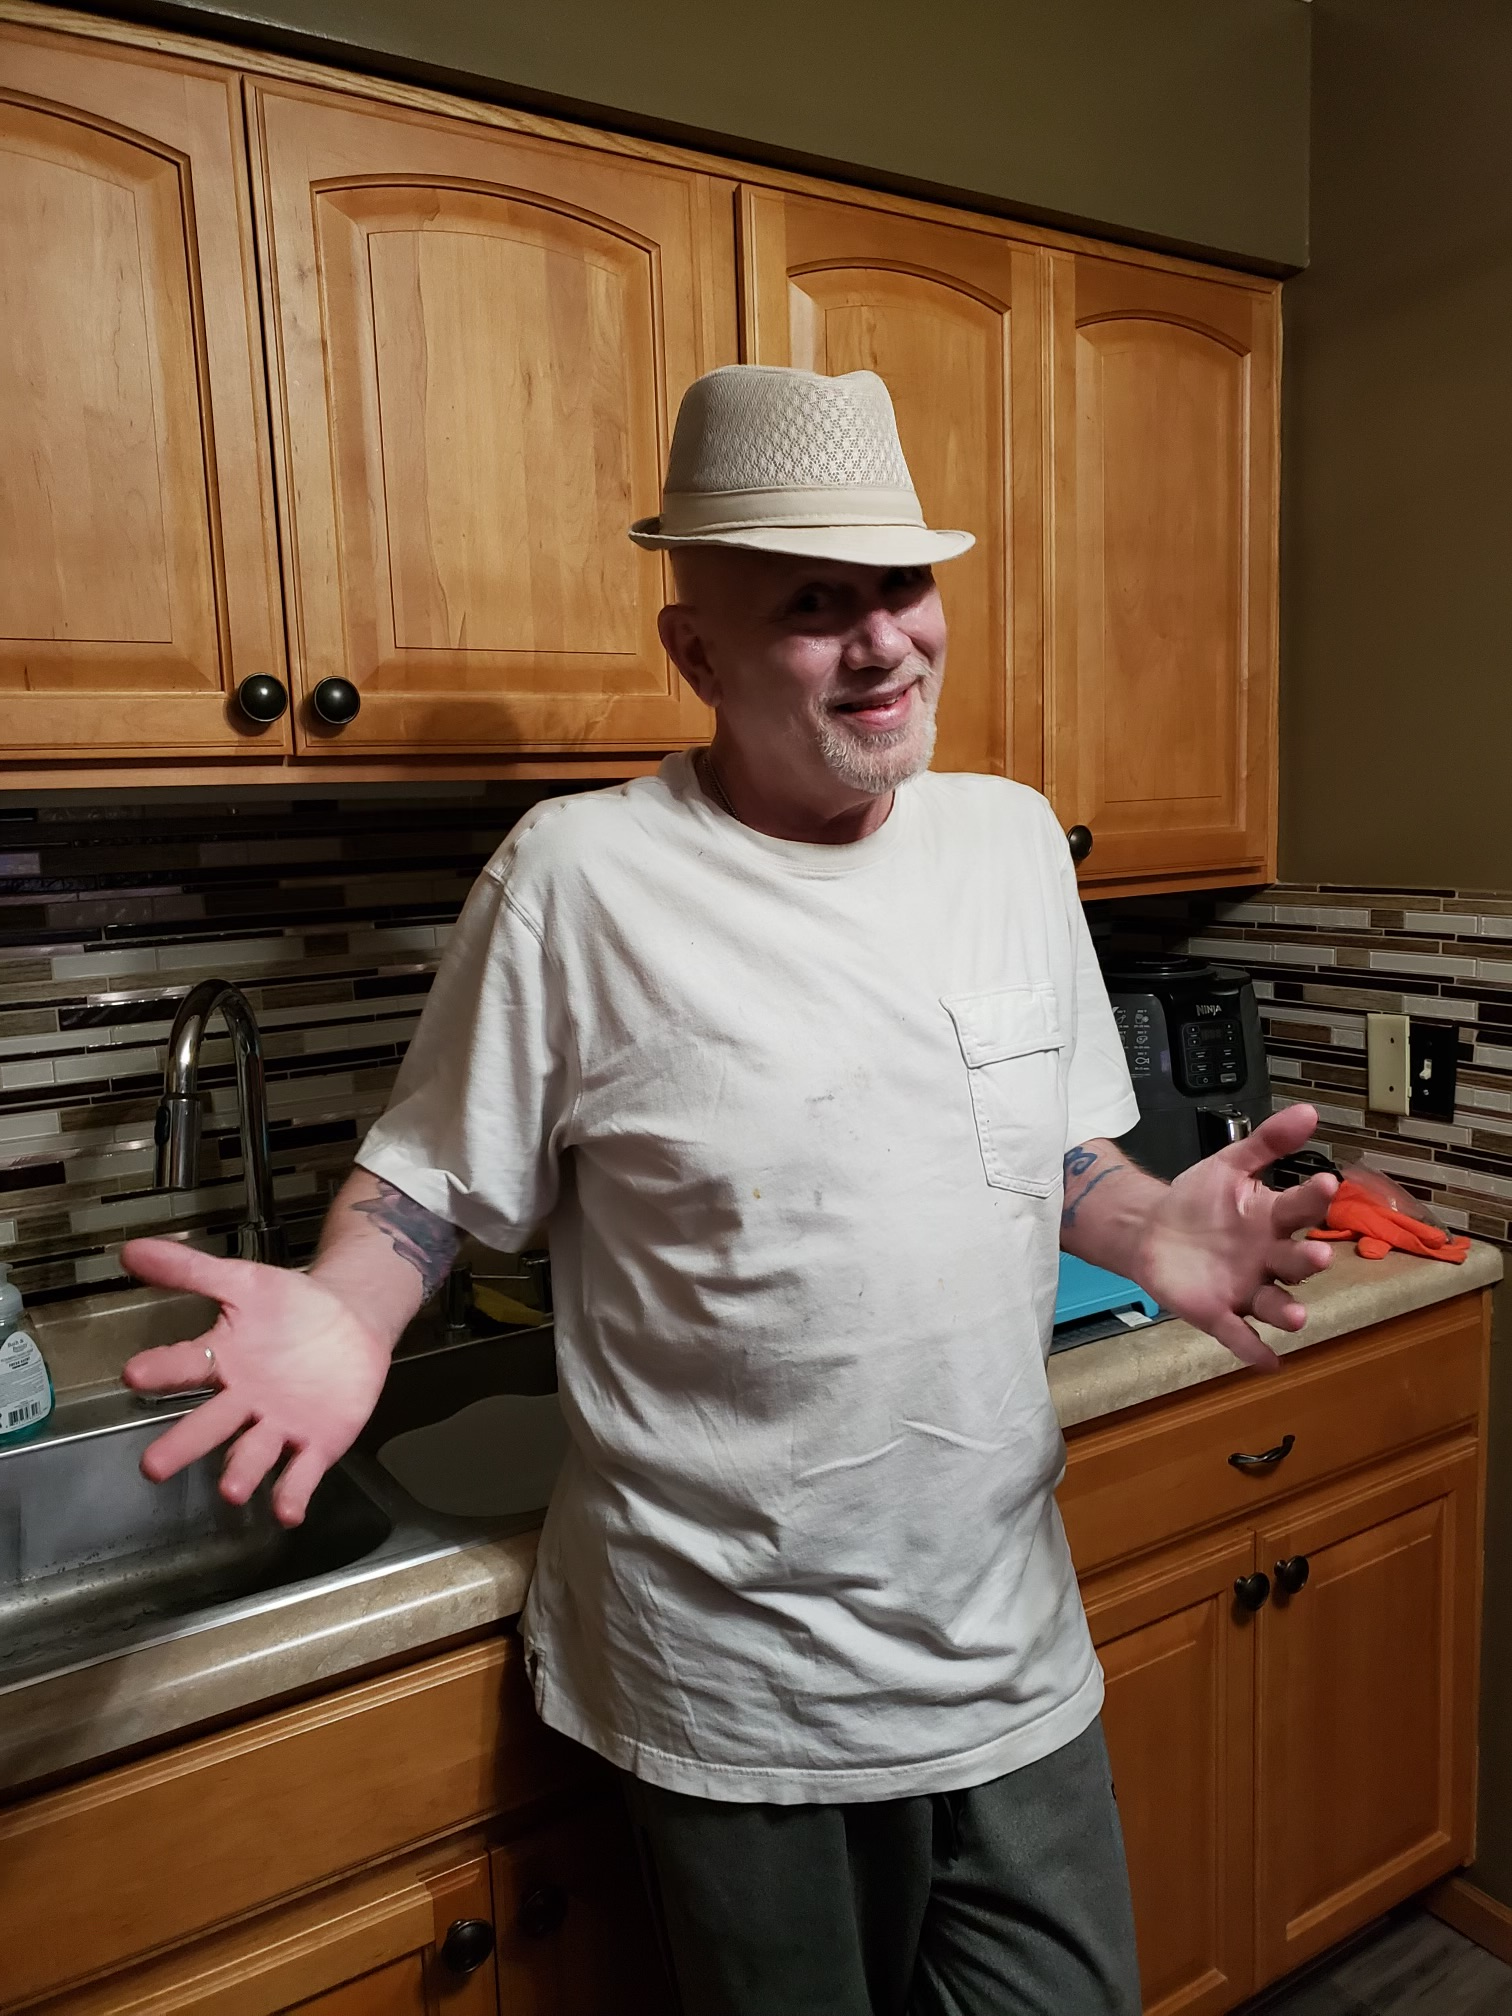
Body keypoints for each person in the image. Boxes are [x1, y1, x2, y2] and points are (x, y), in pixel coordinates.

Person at [121, 365, 1337, 2016]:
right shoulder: (578, 879)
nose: (884, 643)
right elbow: (426, 1188)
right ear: (696, 652)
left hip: (1010, 1645)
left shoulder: (1008, 844)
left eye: (902, 586)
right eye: (813, 606)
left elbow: (1051, 1152)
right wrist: (348, 1310)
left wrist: (1148, 1219)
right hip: (739, 1686)